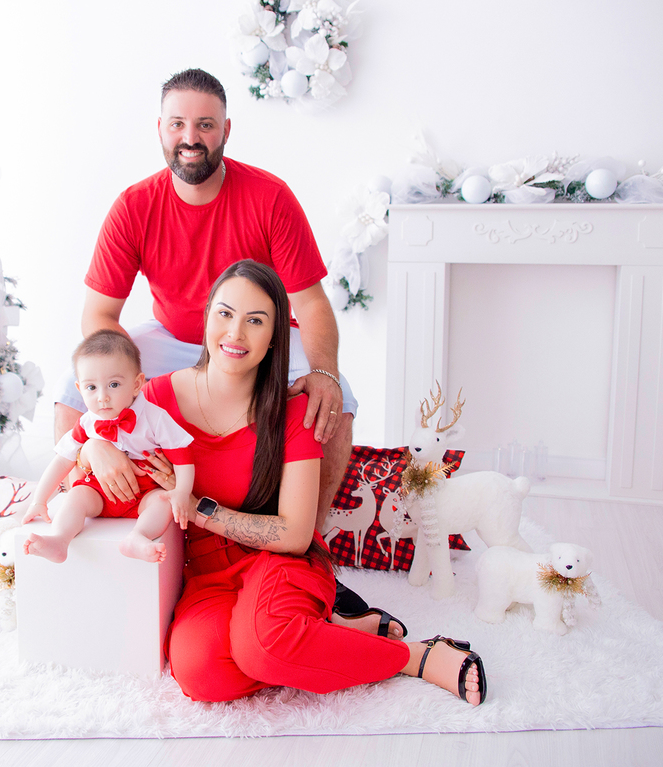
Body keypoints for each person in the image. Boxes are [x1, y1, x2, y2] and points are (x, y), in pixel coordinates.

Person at [79, 260, 486, 704]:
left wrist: (198, 509)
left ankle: (414, 656)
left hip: (277, 559)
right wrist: (91, 449)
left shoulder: (293, 414)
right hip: (206, 574)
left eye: (256, 321)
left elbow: (294, 534)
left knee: (264, 646)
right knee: (201, 676)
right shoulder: (153, 398)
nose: (235, 334)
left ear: (276, 337)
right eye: (226, 314)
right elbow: (89, 432)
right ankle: (322, 634)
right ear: (207, 317)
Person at [55, 67, 369, 618]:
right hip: (175, 338)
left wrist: (321, 373)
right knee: (73, 387)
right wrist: (95, 435)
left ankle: (309, 552)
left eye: (205, 124)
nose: (191, 136)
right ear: (160, 129)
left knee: (336, 397)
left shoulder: (269, 196)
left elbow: (313, 305)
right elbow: (100, 316)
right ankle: (89, 518)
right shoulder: (134, 206)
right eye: (178, 123)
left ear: (226, 130)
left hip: (254, 336)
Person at [22, 330, 196, 563]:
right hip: (100, 493)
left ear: (136, 384)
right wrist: (39, 501)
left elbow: (183, 456)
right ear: (79, 388)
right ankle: (59, 540)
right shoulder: (87, 422)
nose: (102, 397)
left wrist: (182, 492)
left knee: (163, 502)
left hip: (144, 493)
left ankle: (138, 536)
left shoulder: (155, 417)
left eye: (113, 384)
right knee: (76, 495)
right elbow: (61, 460)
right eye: (91, 387)